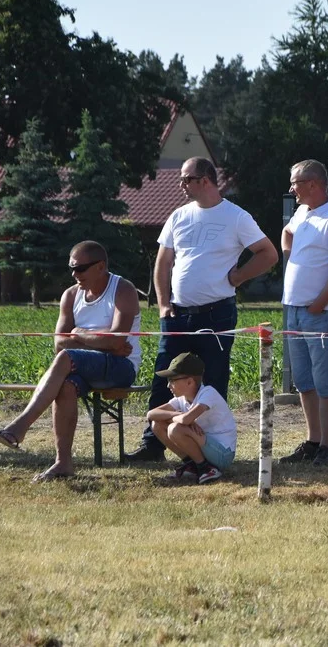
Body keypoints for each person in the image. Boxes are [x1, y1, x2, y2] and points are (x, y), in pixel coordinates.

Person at [126, 157, 277, 463]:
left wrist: (238, 276)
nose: (181, 185)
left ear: (205, 180)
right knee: (164, 378)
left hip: (216, 314)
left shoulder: (236, 216)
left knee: (211, 381)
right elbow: (163, 262)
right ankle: (152, 445)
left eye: (186, 179)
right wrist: (164, 302)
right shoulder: (178, 216)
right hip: (177, 314)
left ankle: (208, 449)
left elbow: (268, 253)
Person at [0, 241, 141, 481]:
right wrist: (96, 341)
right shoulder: (70, 295)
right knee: (66, 384)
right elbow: (58, 343)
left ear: (100, 266)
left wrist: (78, 333)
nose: (74, 274)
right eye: (71, 268)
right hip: (90, 362)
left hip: (121, 367)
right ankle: (63, 464)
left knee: (66, 358)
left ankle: (20, 427)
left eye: (80, 268)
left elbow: (115, 341)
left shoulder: (123, 289)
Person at [278, 160, 328, 467]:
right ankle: (311, 441)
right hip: (294, 310)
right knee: (303, 381)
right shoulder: (302, 212)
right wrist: (291, 255)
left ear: (313, 184)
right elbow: (287, 233)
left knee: (324, 382)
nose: (291, 189)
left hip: (320, 313)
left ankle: (326, 446)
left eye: (295, 183)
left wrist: (319, 304)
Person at [147, 352, 236, 485]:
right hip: (205, 446)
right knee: (157, 425)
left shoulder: (208, 393)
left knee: (175, 429)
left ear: (189, 382)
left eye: (172, 380)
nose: (168, 385)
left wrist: (184, 420)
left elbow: (186, 420)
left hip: (222, 454)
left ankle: (205, 468)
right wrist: (176, 415)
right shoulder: (181, 400)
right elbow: (151, 414)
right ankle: (191, 465)